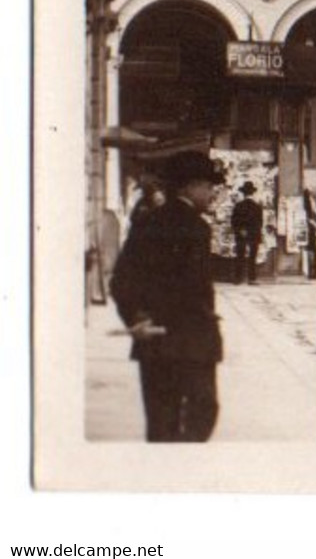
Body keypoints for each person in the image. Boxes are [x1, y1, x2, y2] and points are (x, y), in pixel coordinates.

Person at [109, 150, 225, 442]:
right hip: (191, 343)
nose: (213, 192)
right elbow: (194, 290)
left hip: (155, 343)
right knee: (203, 411)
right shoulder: (197, 228)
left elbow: (121, 279)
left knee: (161, 423)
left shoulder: (148, 222)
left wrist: (136, 316)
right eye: (208, 186)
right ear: (188, 187)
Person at [230, 182, 264, 285]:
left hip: (241, 233)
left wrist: (241, 230)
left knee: (240, 255)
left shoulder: (238, 206)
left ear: (243, 194)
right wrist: (253, 231)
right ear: (252, 193)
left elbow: (233, 221)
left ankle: (238, 278)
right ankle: (252, 278)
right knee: (252, 257)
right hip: (254, 234)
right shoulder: (257, 206)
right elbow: (260, 222)